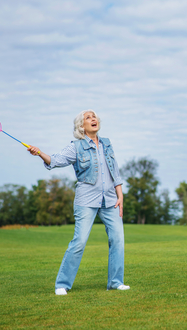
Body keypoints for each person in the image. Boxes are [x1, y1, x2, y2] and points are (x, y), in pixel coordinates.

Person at [28, 110, 130, 295]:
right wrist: (39, 153)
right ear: (81, 126)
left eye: (94, 116)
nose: (93, 119)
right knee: (80, 241)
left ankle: (115, 282)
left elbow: (114, 170)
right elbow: (55, 160)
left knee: (118, 240)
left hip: (110, 199)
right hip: (86, 199)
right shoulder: (76, 147)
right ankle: (62, 284)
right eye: (88, 117)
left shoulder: (106, 143)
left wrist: (120, 194)